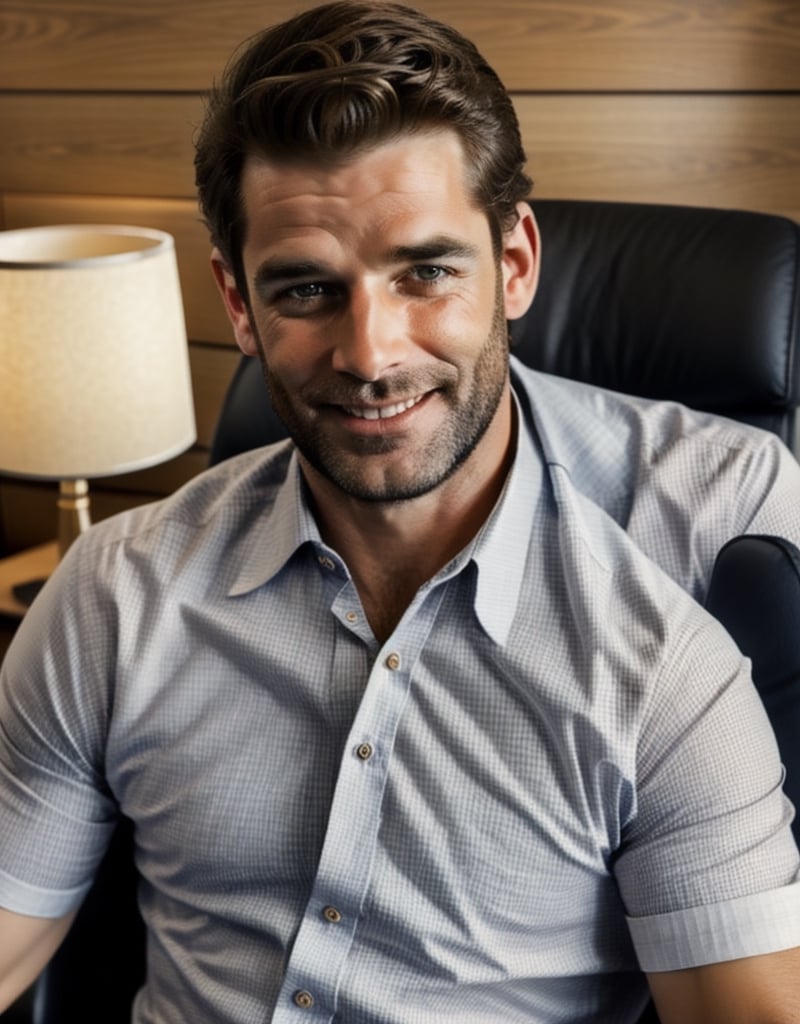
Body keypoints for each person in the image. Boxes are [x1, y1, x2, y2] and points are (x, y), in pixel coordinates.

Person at [1, 2, 800, 1020]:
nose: (370, 355)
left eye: (424, 272)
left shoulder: (696, 574)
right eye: (303, 291)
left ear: (512, 264)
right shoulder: (116, 592)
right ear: (237, 304)